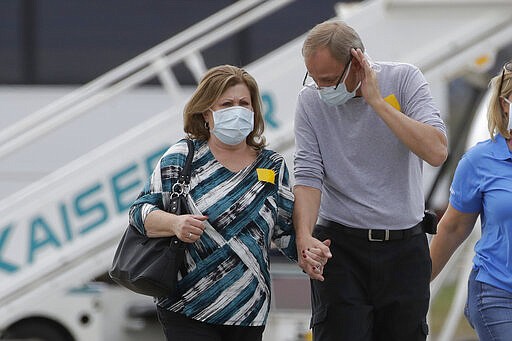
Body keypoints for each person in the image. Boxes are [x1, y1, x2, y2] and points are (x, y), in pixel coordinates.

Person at [128, 65, 327, 341]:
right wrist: (175, 223)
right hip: (188, 304)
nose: (237, 110)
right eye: (227, 104)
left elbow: (284, 232)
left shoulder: (271, 165)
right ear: (207, 112)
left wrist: (309, 255)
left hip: (249, 309)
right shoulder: (182, 157)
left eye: (244, 103)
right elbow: (139, 212)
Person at [292, 20, 448, 341]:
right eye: (315, 80)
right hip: (340, 246)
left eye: (330, 80)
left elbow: (436, 151)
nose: (322, 89)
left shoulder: (404, 79)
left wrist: (376, 101)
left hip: (404, 246)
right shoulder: (309, 101)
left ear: (358, 60)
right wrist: (304, 236)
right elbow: (308, 174)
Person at [430, 60, 512, 341]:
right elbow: (453, 228)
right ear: (504, 103)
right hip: (497, 293)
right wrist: (417, 283)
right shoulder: (480, 162)